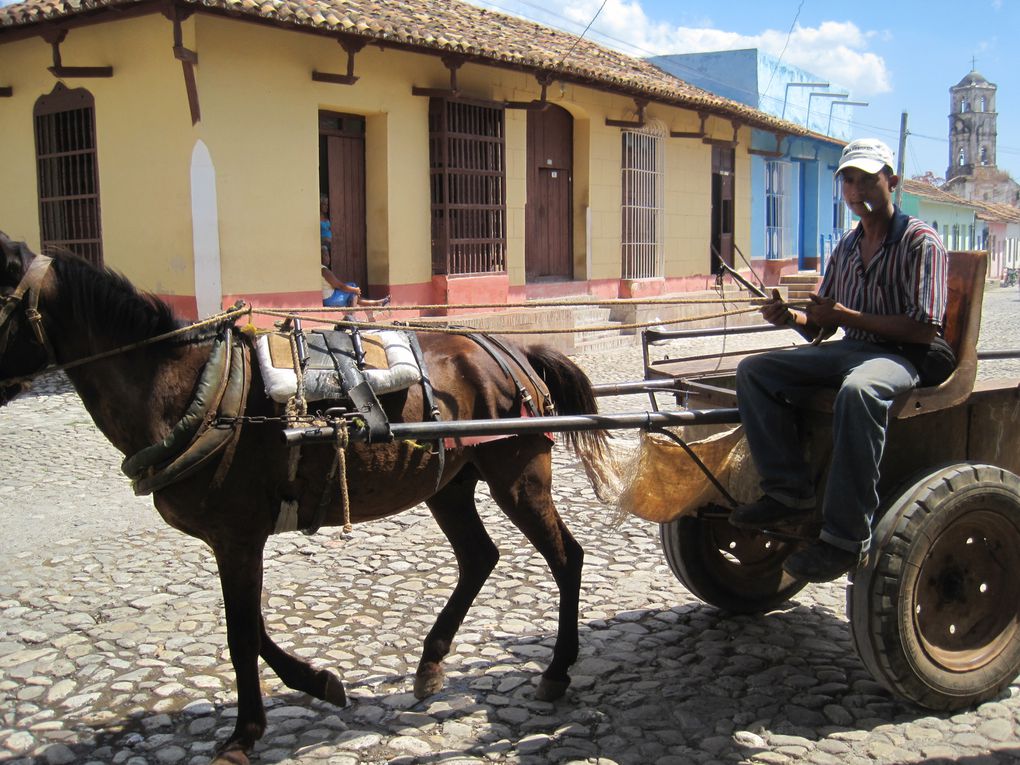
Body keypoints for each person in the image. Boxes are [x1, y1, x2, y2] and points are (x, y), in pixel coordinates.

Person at [729, 138, 950, 582]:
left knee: (860, 390)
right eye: (848, 180)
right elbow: (821, 327)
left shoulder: (920, 241)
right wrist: (788, 316)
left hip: (913, 354)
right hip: (854, 346)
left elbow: (925, 327)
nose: (856, 191)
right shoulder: (847, 247)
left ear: (893, 181)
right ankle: (789, 491)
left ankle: (846, 538)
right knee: (755, 371)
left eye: (867, 180)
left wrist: (846, 316)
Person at [319, 194, 390, 313]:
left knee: (352, 294)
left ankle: (377, 303)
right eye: (324, 204)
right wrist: (354, 289)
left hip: (329, 246)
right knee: (352, 289)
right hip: (331, 299)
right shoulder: (324, 270)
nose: (328, 258)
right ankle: (353, 315)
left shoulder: (324, 269)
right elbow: (340, 286)